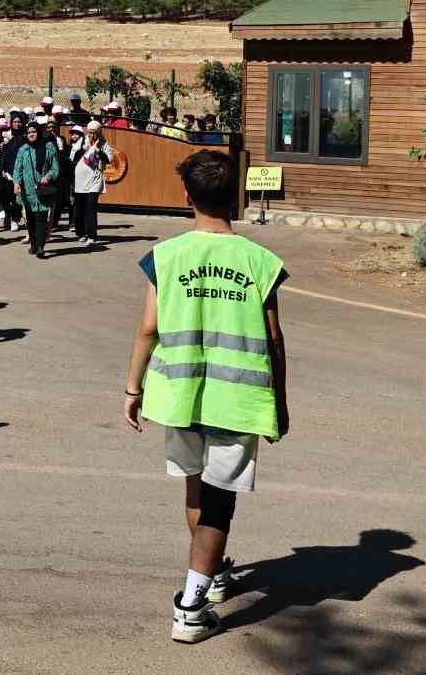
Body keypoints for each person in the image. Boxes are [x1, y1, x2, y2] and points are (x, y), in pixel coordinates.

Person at [123, 151, 290, 644]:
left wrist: (133, 389)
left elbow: (148, 328)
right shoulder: (260, 262)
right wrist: (278, 401)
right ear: (236, 194)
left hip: (180, 394)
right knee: (220, 502)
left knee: (196, 487)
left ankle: (211, 574)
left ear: (187, 197)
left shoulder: (166, 256)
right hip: (236, 399)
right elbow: (274, 340)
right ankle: (192, 606)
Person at [12, 122, 60, 259]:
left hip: (43, 188)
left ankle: (40, 247)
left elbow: (55, 167)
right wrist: (16, 183)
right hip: (27, 191)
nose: (31, 134)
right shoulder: (23, 149)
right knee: (31, 219)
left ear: (39, 132)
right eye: (28, 132)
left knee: (41, 219)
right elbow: (17, 169)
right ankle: (33, 244)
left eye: (33, 131)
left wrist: (48, 176)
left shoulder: (49, 147)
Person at [70, 121, 113, 247]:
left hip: (94, 179)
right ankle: (81, 232)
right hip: (80, 179)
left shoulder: (103, 143)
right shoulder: (82, 141)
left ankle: (92, 236)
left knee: (90, 207)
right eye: (89, 132)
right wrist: (84, 149)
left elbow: (109, 159)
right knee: (80, 208)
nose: (91, 135)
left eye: (94, 133)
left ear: (99, 132)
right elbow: (73, 157)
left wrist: (98, 151)